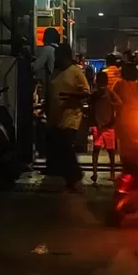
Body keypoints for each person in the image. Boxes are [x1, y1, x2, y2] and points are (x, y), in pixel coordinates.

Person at [45, 43, 90, 190]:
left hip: (71, 116)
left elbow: (86, 92)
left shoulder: (76, 72)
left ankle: (75, 174)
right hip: (55, 117)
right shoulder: (55, 72)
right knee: (58, 147)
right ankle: (69, 178)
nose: (56, 58)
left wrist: (70, 96)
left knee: (65, 145)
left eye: (58, 55)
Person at [88, 69, 121, 184]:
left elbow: (90, 108)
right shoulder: (104, 93)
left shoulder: (102, 93)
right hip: (104, 124)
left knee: (100, 150)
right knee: (108, 151)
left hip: (103, 124)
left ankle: (96, 172)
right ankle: (105, 173)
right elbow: (120, 103)